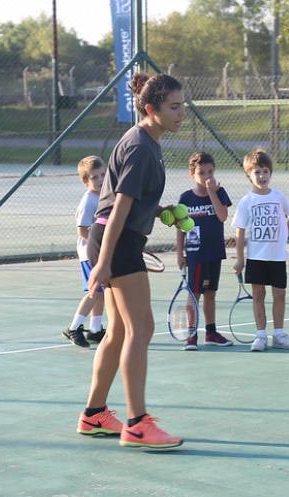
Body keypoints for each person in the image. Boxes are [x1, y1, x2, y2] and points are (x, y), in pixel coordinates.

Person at [78, 73, 185, 449]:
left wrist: (158, 211)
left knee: (120, 331)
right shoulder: (141, 147)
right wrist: (104, 264)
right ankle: (137, 424)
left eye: (182, 105)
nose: (181, 113)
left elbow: (129, 201)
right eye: (174, 107)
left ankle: (94, 415)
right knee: (142, 328)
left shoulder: (145, 142)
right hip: (117, 242)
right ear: (151, 109)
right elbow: (119, 208)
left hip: (114, 238)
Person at [232, 148, 289, 352]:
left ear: (270, 173)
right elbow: (240, 230)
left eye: (265, 171)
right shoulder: (246, 201)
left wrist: (282, 236)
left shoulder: (279, 197)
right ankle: (260, 335)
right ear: (249, 175)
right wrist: (240, 259)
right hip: (256, 258)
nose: (262, 176)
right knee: (258, 295)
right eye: (257, 172)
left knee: (279, 295)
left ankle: (278, 334)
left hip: (278, 258)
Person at [175, 151, 233, 351]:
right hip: (195, 255)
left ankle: (211, 332)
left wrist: (212, 193)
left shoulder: (220, 192)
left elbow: (223, 216)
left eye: (210, 172)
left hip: (214, 253)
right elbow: (181, 227)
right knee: (194, 294)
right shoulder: (186, 198)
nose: (207, 176)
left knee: (210, 293)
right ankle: (191, 335)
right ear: (192, 174)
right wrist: (179, 254)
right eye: (202, 173)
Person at [63, 156, 107, 348]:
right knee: (94, 292)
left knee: (101, 292)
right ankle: (74, 327)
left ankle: (95, 330)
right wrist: (98, 244)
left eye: (103, 175)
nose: (100, 180)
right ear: (85, 181)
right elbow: (82, 229)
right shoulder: (89, 201)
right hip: (89, 254)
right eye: (95, 177)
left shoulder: (104, 196)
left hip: (99, 252)